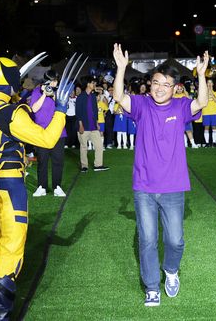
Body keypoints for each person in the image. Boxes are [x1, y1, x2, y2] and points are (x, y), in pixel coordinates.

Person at [0, 53, 78, 320]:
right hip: (8, 185)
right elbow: (46, 139)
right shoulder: (9, 112)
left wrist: (18, 96)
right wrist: (61, 110)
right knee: (11, 250)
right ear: (10, 81)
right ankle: (0, 315)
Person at [112, 43, 209, 307]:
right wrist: (121, 69)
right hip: (144, 186)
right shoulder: (142, 105)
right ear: (150, 83)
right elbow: (119, 97)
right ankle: (152, 287)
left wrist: (201, 75)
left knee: (175, 240)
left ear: (175, 87)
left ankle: (171, 270)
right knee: (147, 239)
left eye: (166, 84)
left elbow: (202, 102)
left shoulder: (180, 107)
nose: (159, 88)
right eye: (156, 82)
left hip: (174, 186)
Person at [30, 72, 67, 197]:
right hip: (41, 132)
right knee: (42, 161)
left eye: (56, 81)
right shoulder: (36, 92)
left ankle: (57, 186)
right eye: (52, 81)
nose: (54, 83)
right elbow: (34, 109)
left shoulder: (59, 92)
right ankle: (42, 187)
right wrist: (44, 95)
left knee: (58, 161)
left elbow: (62, 106)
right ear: (45, 81)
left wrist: (53, 95)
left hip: (58, 132)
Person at [75, 76, 109, 171]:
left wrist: (97, 123)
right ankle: (84, 166)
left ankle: (98, 165)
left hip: (93, 126)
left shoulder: (93, 97)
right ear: (88, 84)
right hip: (83, 126)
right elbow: (78, 112)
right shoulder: (80, 97)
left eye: (94, 83)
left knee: (99, 146)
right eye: (93, 83)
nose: (94, 85)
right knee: (84, 147)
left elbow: (94, 111)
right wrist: (80, 125)